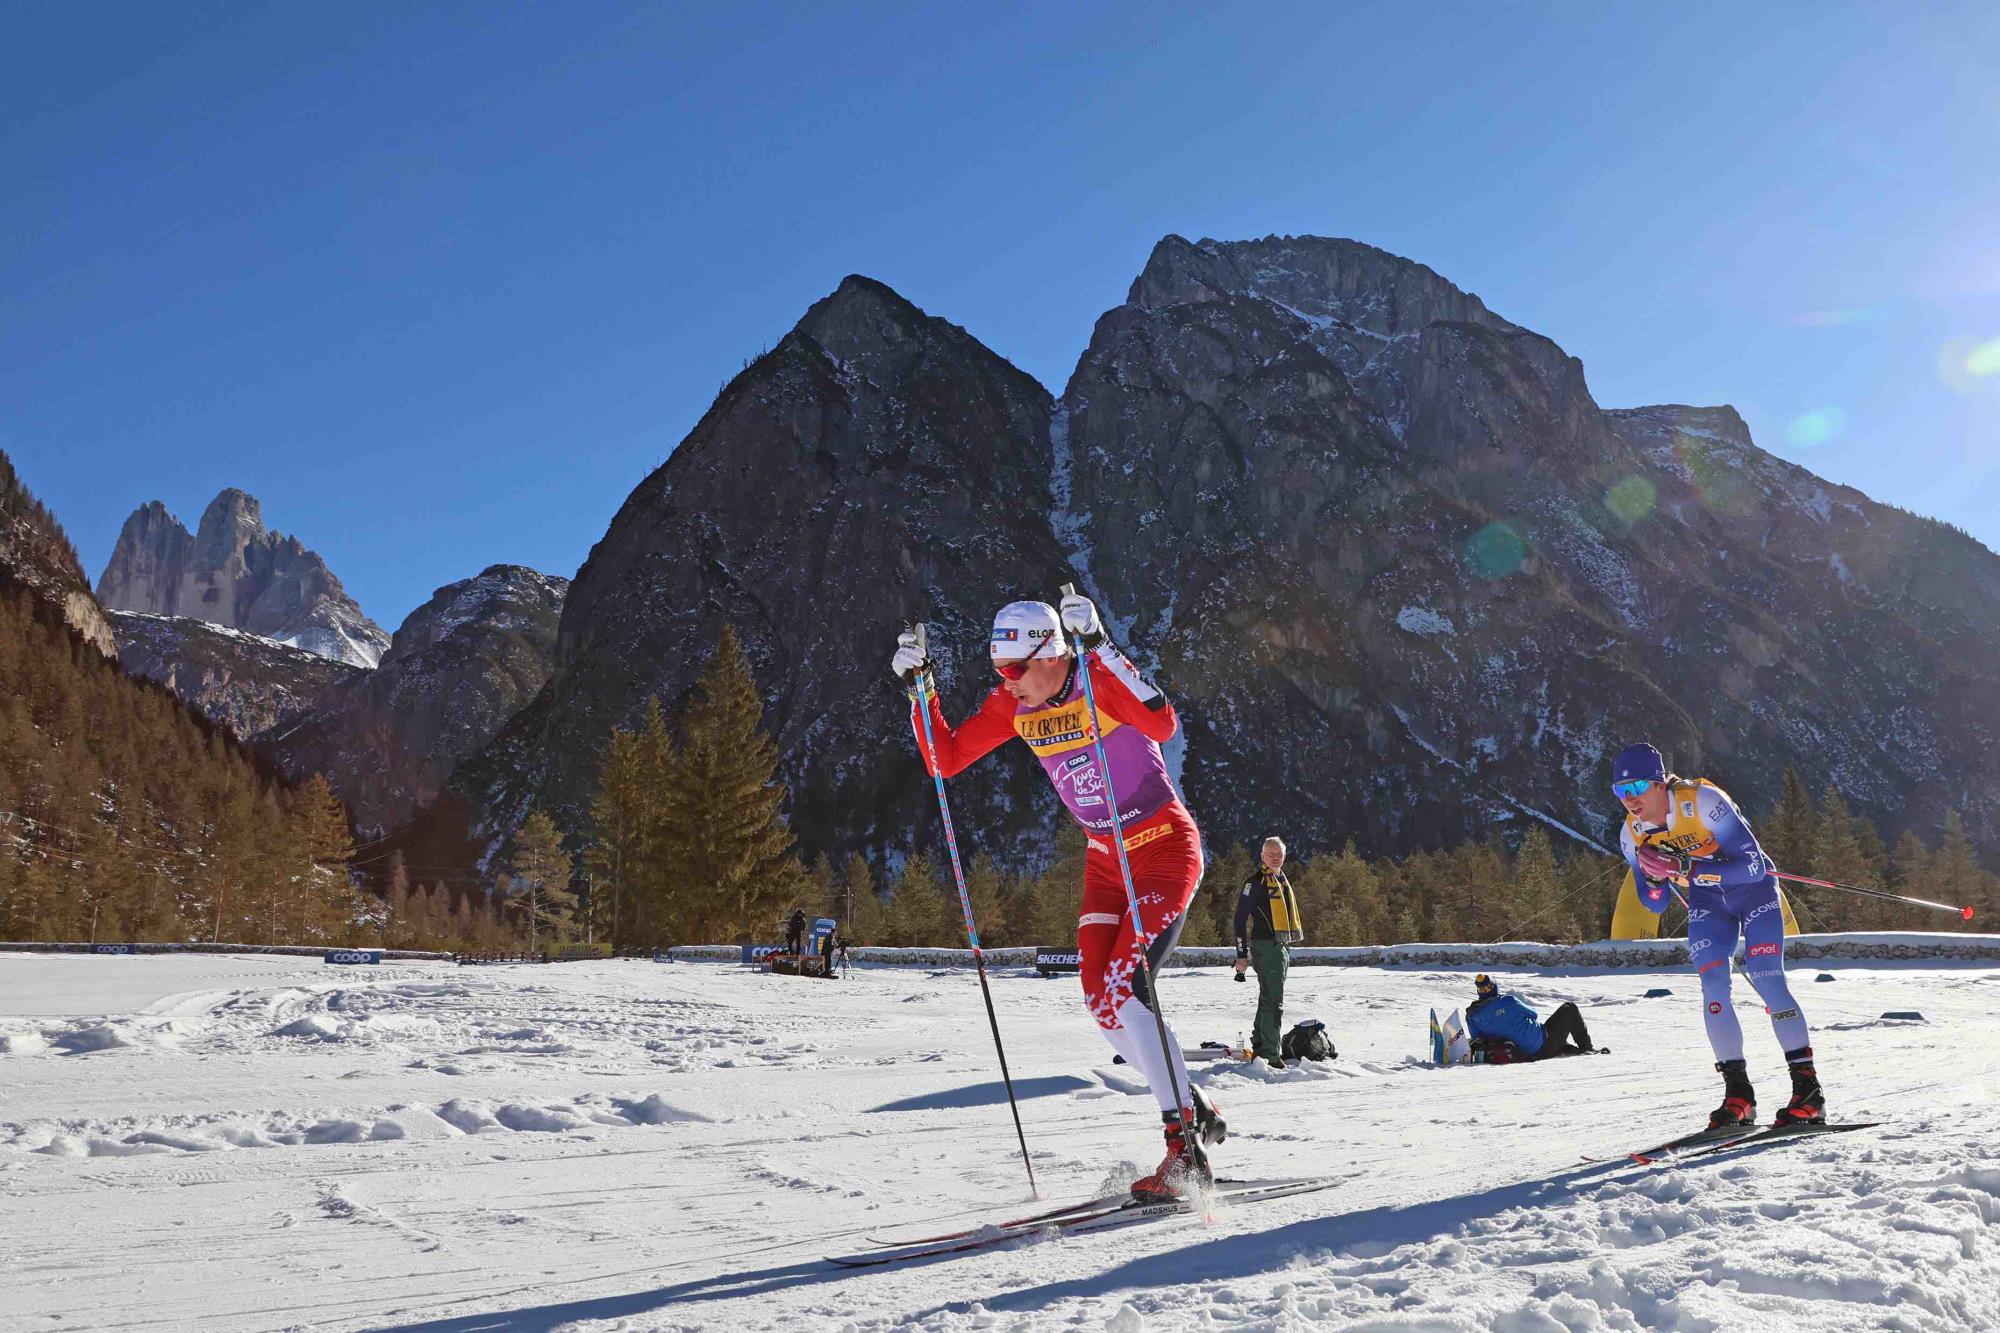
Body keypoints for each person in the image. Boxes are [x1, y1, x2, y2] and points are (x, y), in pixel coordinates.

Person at [892, 593, 1223, 1199]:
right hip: (1104, 857)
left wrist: (1101, 646)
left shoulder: (1098, 678)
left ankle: (1185, 1154)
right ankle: (1188, 1097)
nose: (1008, 683)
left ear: (1052, 653)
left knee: (1127, 989)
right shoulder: (1012, 706)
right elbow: (945, 759)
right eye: (1000, 672)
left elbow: (1162, 722)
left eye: (1016, 670)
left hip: (1163, 848)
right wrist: (922, 691)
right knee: (1100, 998)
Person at [1613, 742, 1826, 1128]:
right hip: (1710, 901)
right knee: (1713, 985)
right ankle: (1739, 1094)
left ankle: (1808, 1092)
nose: (1629, 800)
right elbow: (1656, 904)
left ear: (1660, 784)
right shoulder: (1633, 834)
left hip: (1753, 891)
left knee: (1767, 977)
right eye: (1620, 792)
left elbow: (1753, 867)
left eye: (1636, 788)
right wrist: (1652, 877)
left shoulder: (1704, 801)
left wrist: (1684, 867)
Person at [1232, 836, 1304, 1068]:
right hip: (1266, 947)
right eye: (1270, 853)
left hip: (1280, 946)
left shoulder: (1281, 881)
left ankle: (1261, 1046)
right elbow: (1239, 919)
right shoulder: (1255, 883)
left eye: (1279, 854)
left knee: (1267, 997)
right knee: (1274, 1002)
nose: (1275, 857)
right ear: (1261, 856)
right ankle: (1271, 1057)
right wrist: (1241, 954)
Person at [1464, 974, 1595, 1060]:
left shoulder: (1471, 1015)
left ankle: (1566, 1048)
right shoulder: (1508, 1001)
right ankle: (1587, 1048)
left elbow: (1477, 1038)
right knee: (1570, 1008)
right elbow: (1533, 1014)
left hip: (1521, 1053)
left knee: (1557, 1038)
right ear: (1495, 987)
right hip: (1543, 1043)